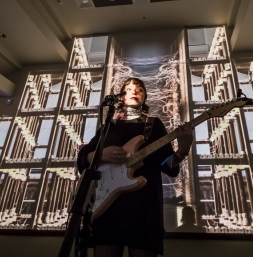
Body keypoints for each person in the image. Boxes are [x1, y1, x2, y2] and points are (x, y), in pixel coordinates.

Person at [77, 77, 193, 257]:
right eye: (129, 88)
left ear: (145, 97)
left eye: (140, 89)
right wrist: (96, 155)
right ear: (121, 97)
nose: (135, 91)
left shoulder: (153, 124)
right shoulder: (109, 126)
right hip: (108, 208)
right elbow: (84, 156)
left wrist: (183, 151)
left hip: (144, 208)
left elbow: (167, 165)